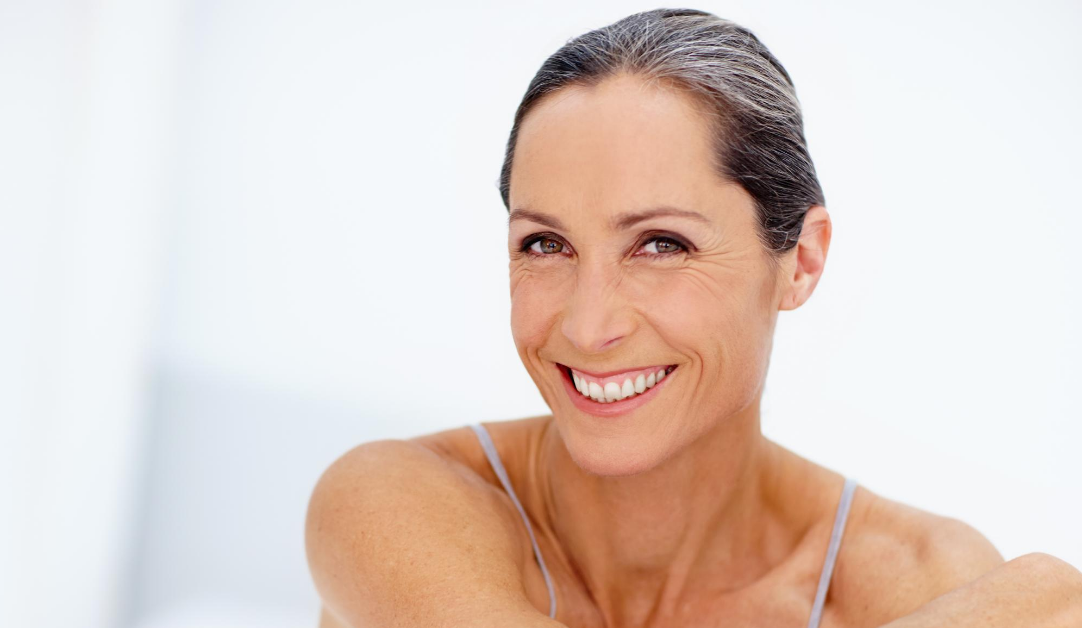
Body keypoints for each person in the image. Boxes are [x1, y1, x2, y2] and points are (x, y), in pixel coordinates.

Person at [305, 9, 1082, 627]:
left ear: (801, 261)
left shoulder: (917, 578)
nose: (587, 325)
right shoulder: (395, 502)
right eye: (544, 243)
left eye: (661, 244)